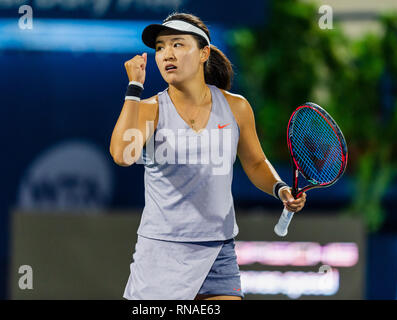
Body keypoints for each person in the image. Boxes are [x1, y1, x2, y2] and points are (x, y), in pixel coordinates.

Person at [110, 12, 307, 300]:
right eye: (161, 47)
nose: (167, 54)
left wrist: (281, 189)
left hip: (218, 252)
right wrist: (134, 88)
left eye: (177, 44)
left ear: (203, 53)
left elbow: (254, 162)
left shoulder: (237, 107)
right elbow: (121, 155)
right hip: (162, 255)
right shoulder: (148, 109)